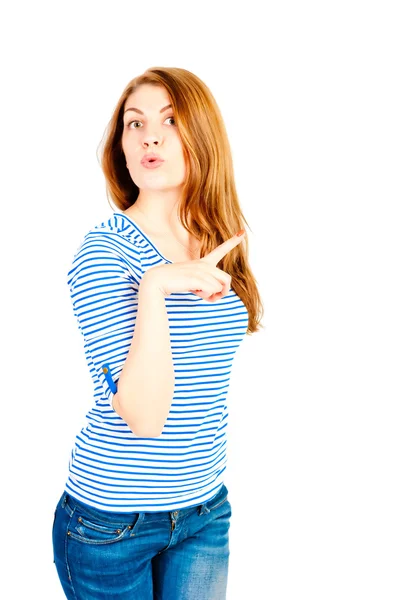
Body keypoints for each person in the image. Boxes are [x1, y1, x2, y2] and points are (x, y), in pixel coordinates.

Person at [52, 66, 264, 600]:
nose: (149, 135)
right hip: (111, 523)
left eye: (170, 120)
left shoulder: (217, 240)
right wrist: (153, 288)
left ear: (201, 136)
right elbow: (144, 419)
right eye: (134, 123)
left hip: (204, 510)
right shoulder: (104, 254)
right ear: (121, 147)